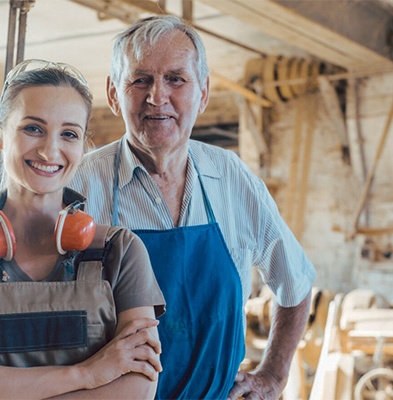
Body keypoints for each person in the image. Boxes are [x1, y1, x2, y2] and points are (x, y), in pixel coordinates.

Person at [67, 15, 316, 400]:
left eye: (175, 79)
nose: (157, 96)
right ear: (114, 94)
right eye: (140, 79)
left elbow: (295, 281)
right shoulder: (77, 186)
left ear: (203, 91)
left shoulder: (232, 177)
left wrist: (273, 376)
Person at [0, 59, 165, 399]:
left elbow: (136, 390)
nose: (50, 149)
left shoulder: (119, 250)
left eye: (69, 134)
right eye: (33, 128)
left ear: (81, 145)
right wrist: (87, 374)